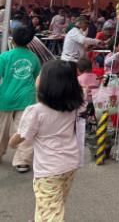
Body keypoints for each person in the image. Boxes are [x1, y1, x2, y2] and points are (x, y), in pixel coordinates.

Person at [10, 60, 85, 222]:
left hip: (49, 169)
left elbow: (22, 135)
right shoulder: (72, 106)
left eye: (40, 75)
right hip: (70, 163)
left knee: (51, 211)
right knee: (56, 203)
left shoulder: (36, 111)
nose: (37, 77)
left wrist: (11, 143)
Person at [0, 26, 41, 173]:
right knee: (25, 130)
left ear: (13, 40)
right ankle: (22, 161)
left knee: (1, 129)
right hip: (26, 98)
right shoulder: (34, 58)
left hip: (5, 97)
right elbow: (36, 76)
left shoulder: (5, 57)